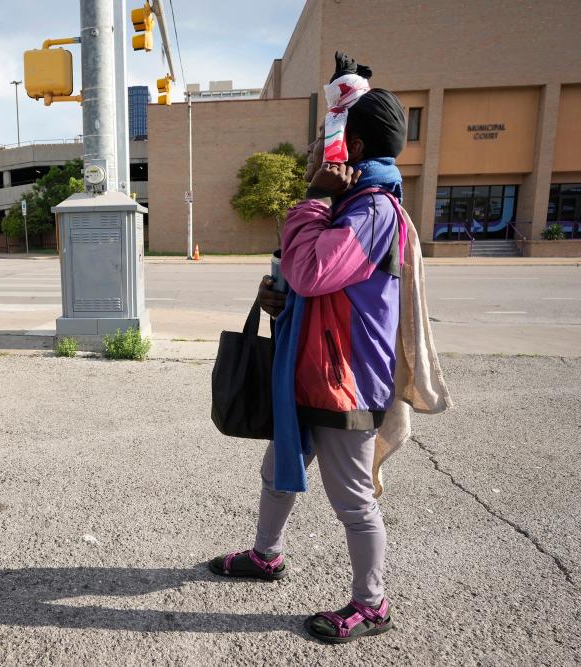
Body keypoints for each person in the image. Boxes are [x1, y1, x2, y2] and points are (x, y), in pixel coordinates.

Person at [209, 53, 411, 643]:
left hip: (345, 377)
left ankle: (372, 605)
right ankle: (266, 556)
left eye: (333, 134)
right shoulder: (355, 201)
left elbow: (315, 269)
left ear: (354, 141)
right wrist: (282, 298)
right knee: (278, 471)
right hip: (310, 366)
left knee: (353, 499)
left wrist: (314, 202)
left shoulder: (371, 208)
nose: (324, 147)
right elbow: (306, 281)